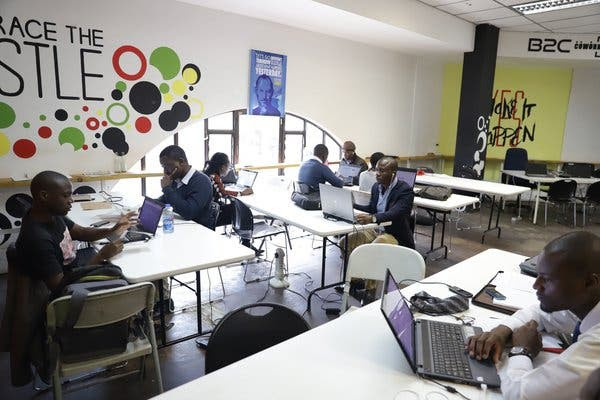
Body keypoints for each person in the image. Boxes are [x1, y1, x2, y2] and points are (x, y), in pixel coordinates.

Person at [467, 231, 600, 400]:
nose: (536, 285)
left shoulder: (596, 347)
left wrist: (521, 351)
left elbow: (520, 394)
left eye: (547, 279)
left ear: (589, 283)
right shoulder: (589, 301)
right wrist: (502, 331)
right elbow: (540, 313)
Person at [15, 171, 136, 292]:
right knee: (127, 277)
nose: (71, 200)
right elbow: (59, 287)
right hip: (69, 286)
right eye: (66, 196)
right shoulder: (38, 239)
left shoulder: (50, 214)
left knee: (121, 263)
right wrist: (101, 256)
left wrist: (112, 230)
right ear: (44, 196)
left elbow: (81, 232)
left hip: (72, 264)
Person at [344, 157, 415, 255]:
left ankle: (366, 269)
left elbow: (394, 213)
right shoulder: (376, 187)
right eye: (376, 170)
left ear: (393, 174)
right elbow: (371, 209)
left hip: (394, 234)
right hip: (375, 230)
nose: (377, 173)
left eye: (382, 171)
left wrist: (373, 218)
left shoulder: (405, 190)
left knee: (372, 250)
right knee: (345, 242)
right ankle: (354, 270)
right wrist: (353, 205)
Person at [158, 145, 213, 228]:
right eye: (163, 166)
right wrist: (148, 206)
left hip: (198, 230)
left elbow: (189, 212)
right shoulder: (176, 179)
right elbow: (164, 200)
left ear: (181, 162)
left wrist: (167, 189)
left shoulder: (202, 181)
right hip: (181, 227)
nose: (165, 171)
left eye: (168, 165)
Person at [204, 152, 253, 226]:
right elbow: (223, 193)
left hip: (206, 210)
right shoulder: (215, 177)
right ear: (223, 167)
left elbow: (221, 191)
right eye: (228, 167)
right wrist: (241, 193)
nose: (228, 169)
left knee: (233, 207)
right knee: (240, 210)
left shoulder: (208, 173)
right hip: (210, 214)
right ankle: (244, 234)